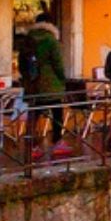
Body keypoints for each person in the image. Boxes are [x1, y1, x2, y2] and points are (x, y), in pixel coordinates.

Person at [20, 12, 68, 155]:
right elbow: (57, 64)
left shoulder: (27, 40)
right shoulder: (51, 40)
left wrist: (27, 77)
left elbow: (22, 64)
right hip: (51, 84)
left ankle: (31, 146)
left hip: (33, 84)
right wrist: (62, 79)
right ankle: (57, 142)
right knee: (57, 113)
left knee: (34, 114)